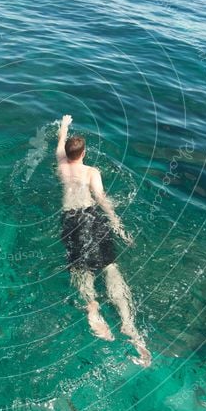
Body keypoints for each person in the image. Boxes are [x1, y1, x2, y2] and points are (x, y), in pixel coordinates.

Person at [56, 115, 151, 367]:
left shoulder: (61, 167)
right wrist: (117, 224)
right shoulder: (91, 172)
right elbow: (101, 199)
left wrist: (64, 127)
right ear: (84, 152)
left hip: (70, 220)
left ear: (67, 154)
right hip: (91, 217)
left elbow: (60, 145)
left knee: (80, 268)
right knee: (109, 267)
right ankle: (127, 323)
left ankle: (93, 310)